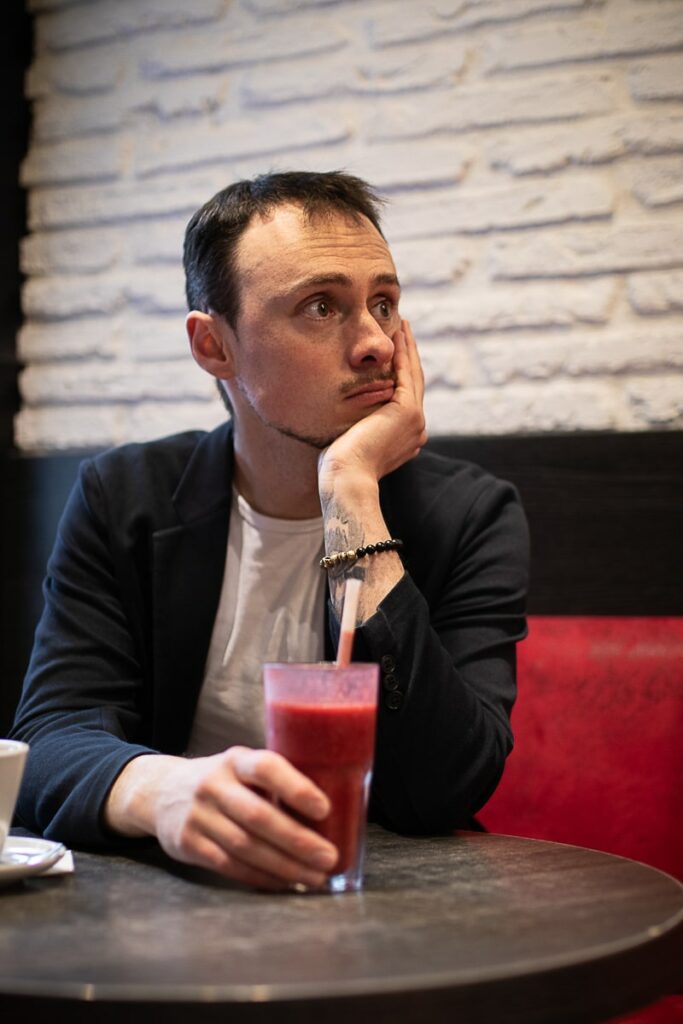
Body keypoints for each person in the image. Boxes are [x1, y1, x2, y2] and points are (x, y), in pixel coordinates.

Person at [11, 171, 529, 891]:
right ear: (214, 347)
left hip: (390, 906)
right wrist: (163, 793)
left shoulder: (468, 514)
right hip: (169, 900)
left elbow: (449, 784)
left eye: (383, 303)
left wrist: (352, 492)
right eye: (322, 306)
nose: (376, 342)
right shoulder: (125, 498)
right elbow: (51, 736)